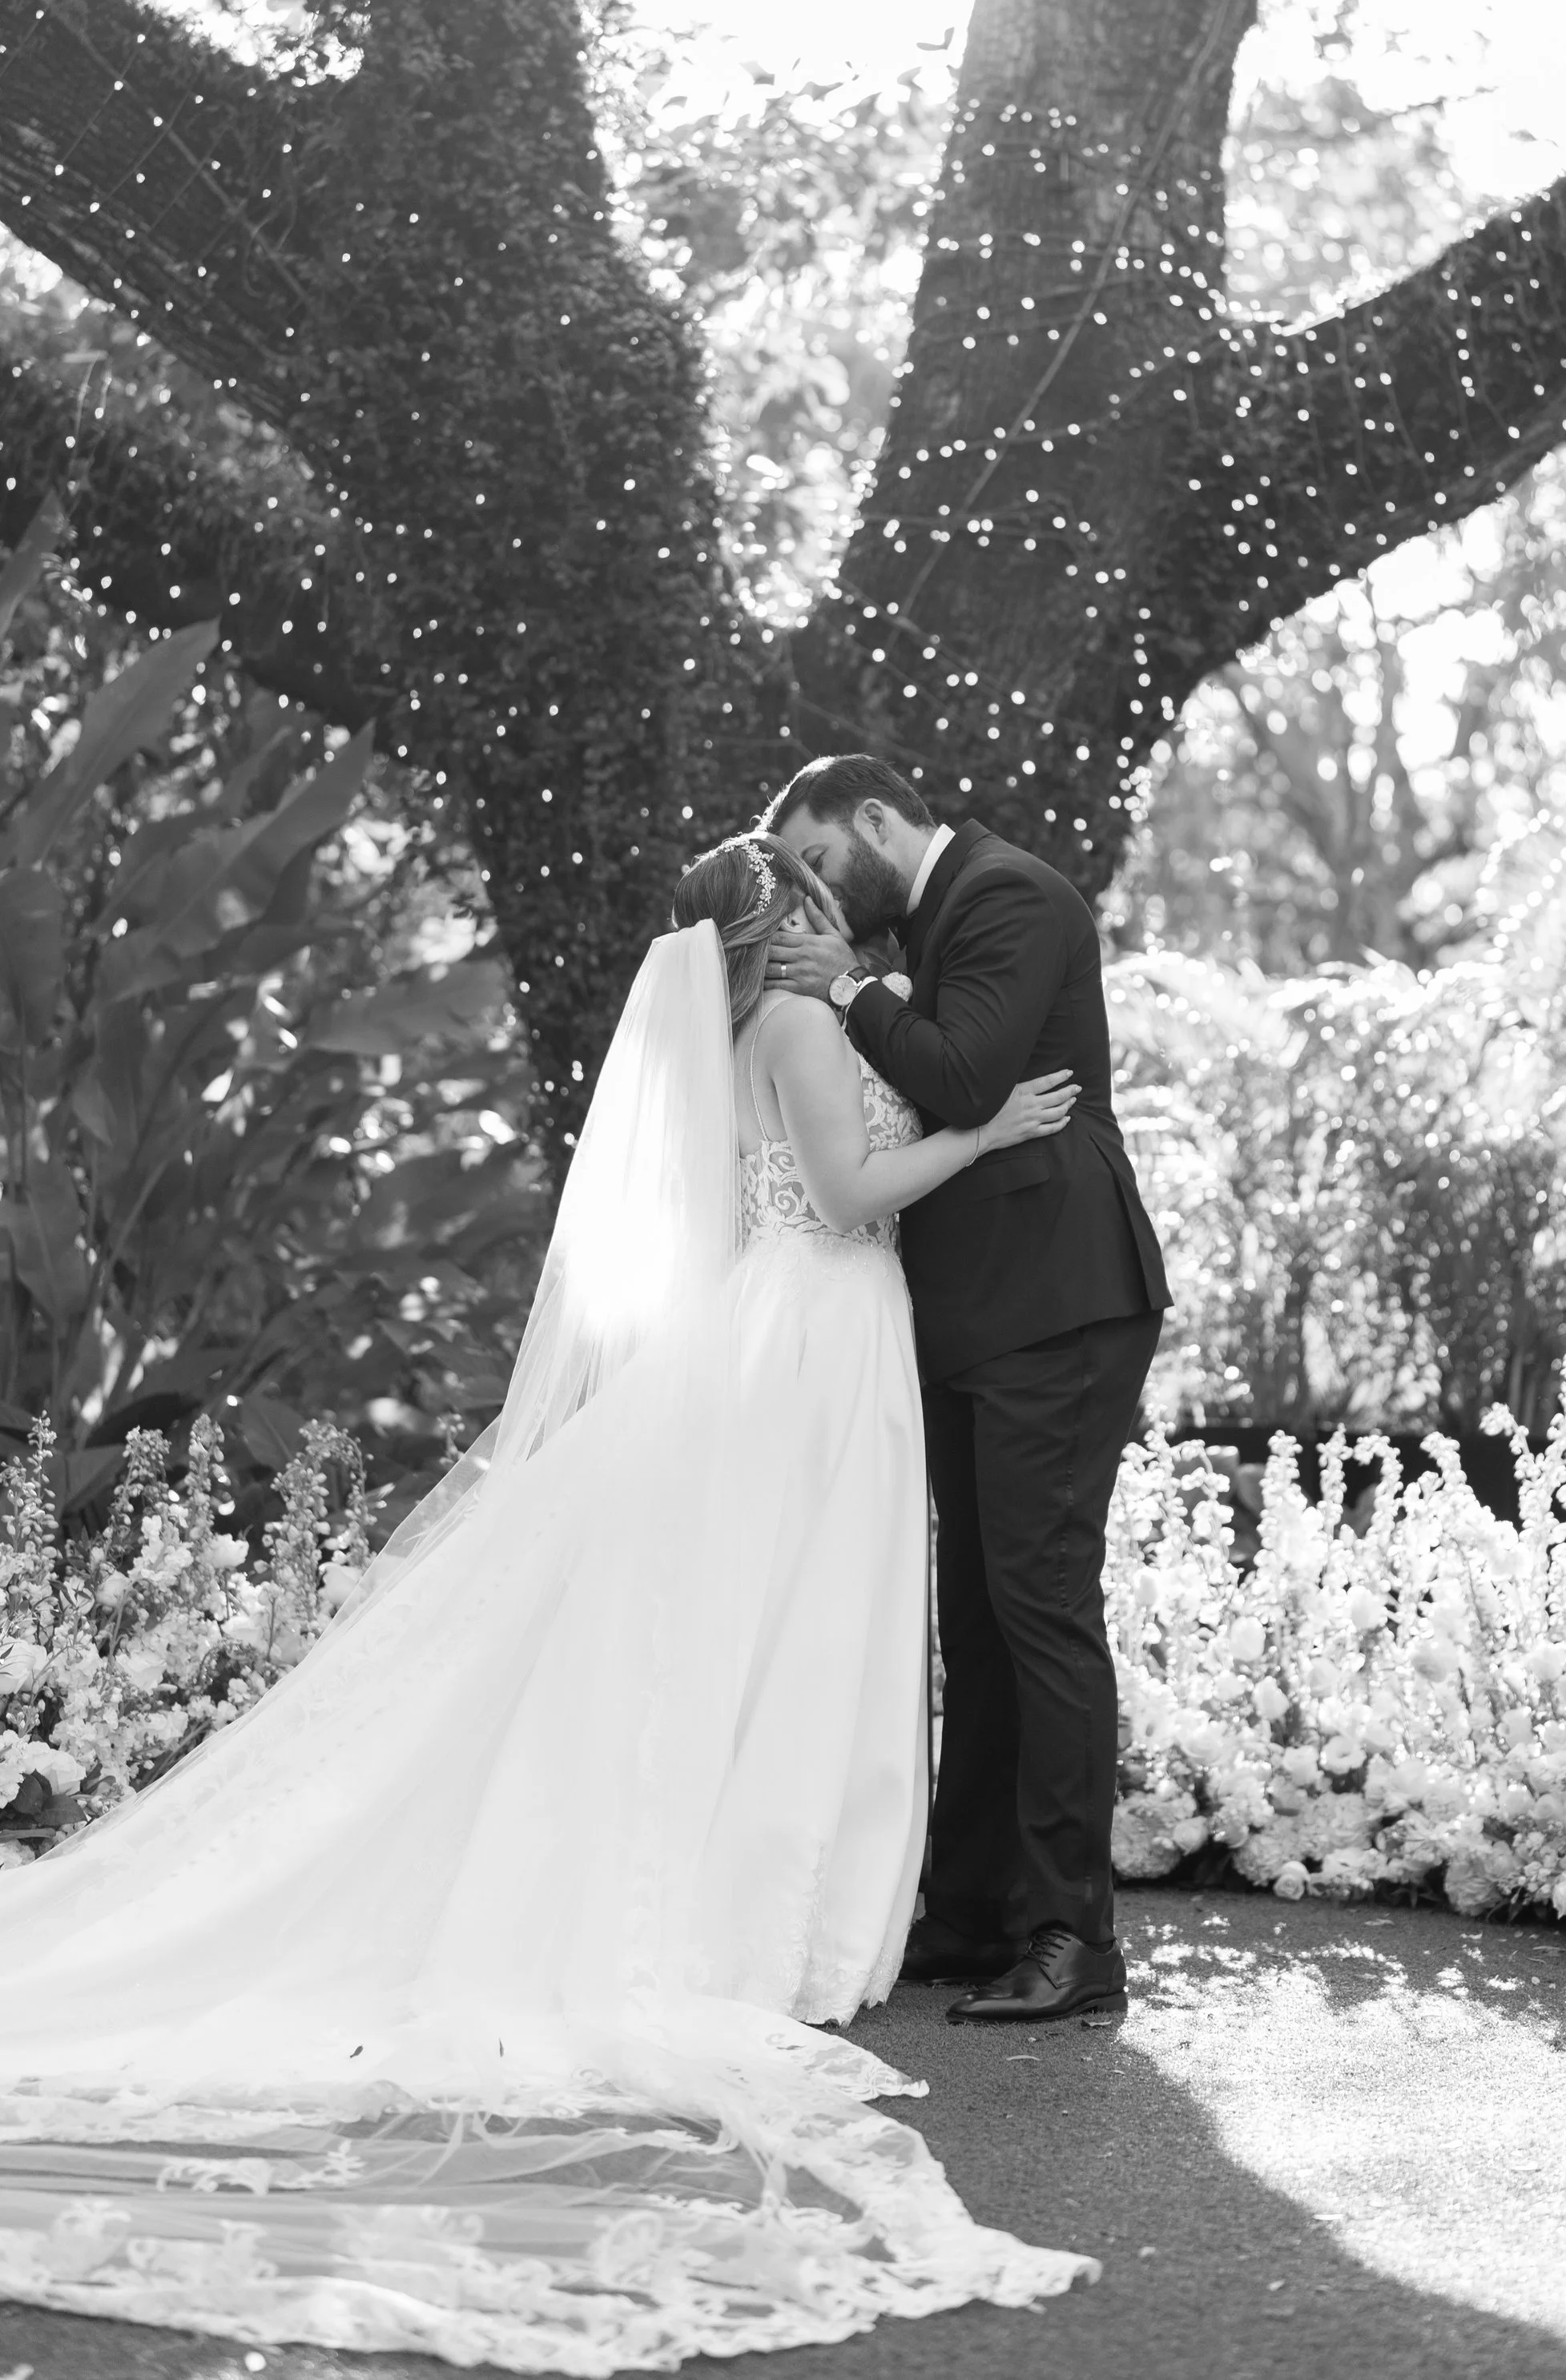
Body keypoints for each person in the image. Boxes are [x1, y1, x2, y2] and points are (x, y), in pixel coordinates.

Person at [0, 835, 1093, 2373]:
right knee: (807, 1633)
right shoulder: (795, 1020)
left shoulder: (768, 1018)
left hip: (801, 1335)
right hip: (820, 1327)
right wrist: (985, 1138)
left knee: (782, 1627)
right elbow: (847, 1194)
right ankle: (787, 1914)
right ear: (776, 921)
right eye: (806, 897)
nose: (831, 911)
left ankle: (804, 1896)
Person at [764, 757, 1169, 2025]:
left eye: (824, 861)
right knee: (980, 1621)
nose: (821, 900)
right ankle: (975, 1910)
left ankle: (1070, 1936)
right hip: (971, 1317)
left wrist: (848, 987)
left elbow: (968, 1077)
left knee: (1039, 1609)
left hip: (1058, 1299)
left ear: (877, 820)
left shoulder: (1012, 896)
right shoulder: (931, 924)